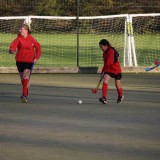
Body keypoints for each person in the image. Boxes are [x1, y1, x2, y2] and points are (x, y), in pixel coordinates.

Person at [9, 24, 42, 103]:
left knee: (25, 76)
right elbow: (12, 48)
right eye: (20, 29)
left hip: (29, 61)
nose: (20, 30)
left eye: (21, 29)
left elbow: (39, 49)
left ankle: (24, 95)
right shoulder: (18, 39)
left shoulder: (32, 39)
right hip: (19, 61)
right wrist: (12, 51)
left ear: (26, 30)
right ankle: (26, 90)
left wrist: (36, 58)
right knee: (23, 80)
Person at [98, 39, 124, 104]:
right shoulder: (104, 53)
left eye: (101, 47)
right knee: (105, 79)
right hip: (109, 69)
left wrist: (105, 71)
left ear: (106, 45)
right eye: (100, 47)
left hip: (116, 69)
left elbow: (109, 62)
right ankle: (104, 98)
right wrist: (102, 72)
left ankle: (120, 96)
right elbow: (105, 64)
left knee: (117, 84)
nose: (101, 48)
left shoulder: (111, 50)